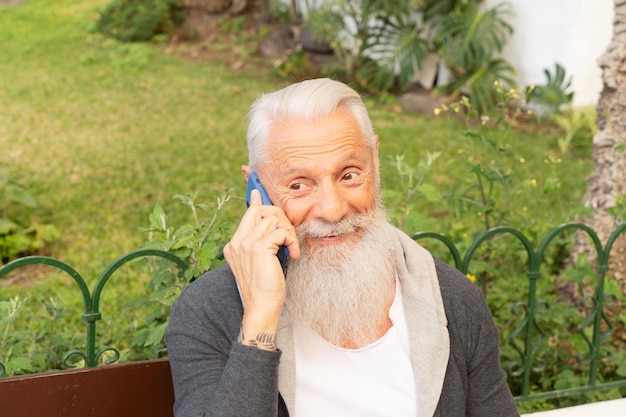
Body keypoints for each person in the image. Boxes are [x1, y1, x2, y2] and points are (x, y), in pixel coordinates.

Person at [165, 78, 520, 417]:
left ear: (375, 163)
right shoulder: (206, 313)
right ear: (255, 188)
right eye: (299, 185)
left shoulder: (452, 301)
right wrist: (260, 316)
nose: (332, 210)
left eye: (349, 175)